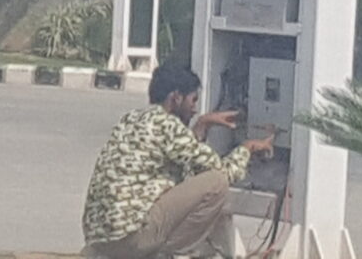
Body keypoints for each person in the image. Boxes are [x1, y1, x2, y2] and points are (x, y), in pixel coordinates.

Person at [80, 63, 273, 259]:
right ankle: (163, 253)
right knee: (217, 183)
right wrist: (247, 149)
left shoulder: (131, 119)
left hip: (99, 240)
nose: (194, 109)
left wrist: (203, 124)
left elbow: (182, 163)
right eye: (193, 101)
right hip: (132, 239)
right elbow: (224, 172)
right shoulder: (168, 124)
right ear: (176, 98)